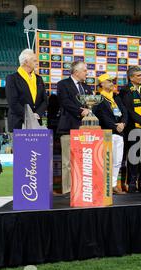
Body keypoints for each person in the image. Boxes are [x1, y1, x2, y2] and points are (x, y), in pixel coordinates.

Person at [56, 61, 92, 195]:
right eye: (84, 70)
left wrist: (88, 110)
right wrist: (80, 111)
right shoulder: (63, 84)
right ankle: (67, 190)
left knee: (83, 162)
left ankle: (81, 189)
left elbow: (91, 105)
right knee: (67, 162)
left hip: (85, 129)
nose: (86, 73)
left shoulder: (87, 87)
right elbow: (65, 102)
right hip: (68, 127)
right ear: (76, 72)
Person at [92, 73, 128, 195]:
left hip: (119, 133)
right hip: (106, 133)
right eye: (109, 81)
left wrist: (123, 123)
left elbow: (124, 112)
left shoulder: (116, 97)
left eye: (113, 81)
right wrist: (114, 126)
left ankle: (113, 185)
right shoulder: (98, 98)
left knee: (117, 161)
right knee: (105, 161)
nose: (112, 83)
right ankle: (104, 186)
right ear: (101, 84)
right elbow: (101, 116)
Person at [5, 49, 48, 131]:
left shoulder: (39, 79)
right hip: (18, 122)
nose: (37, 62)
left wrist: (37, 114)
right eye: (34, 60)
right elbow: (13, 102)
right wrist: (29, 116)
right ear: (26, 62)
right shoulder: (12, 78)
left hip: (37, 122)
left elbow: (44, 100)